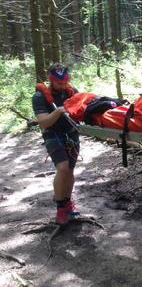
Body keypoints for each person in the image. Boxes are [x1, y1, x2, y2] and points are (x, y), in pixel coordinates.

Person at [32, 63, 80, 225]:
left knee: (70, 170)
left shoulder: (73, 92)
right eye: (59, 83)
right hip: (52, 133)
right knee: (63, 168)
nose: (62, 85)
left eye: (65, 82)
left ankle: (67, 201)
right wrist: (58, 111)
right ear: (51, 80)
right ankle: (60, 208)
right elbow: (44, 122)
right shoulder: (40, 97)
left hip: (71, 134)